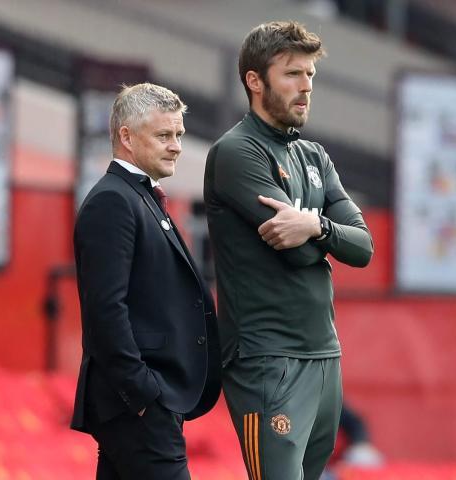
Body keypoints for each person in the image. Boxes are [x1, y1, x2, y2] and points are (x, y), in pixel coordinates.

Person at [204, 21, 374, 480]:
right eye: (292, 74)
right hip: (267, 360)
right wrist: (329, 236)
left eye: (310, 75)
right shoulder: (237, 151)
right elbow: (296, 253)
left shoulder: (314, 156)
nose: (306, 86)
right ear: (255, 81)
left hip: (324, 355)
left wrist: (313, 225)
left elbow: (363, 247)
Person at [71, 83, 221, 480]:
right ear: (127, 137)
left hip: (142, 403)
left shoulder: (138, 197)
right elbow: (105, 310)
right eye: (164, 135)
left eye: (179, 135)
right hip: (138, 404)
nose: (176, 147)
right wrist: (142, 393)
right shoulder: (113, 201)